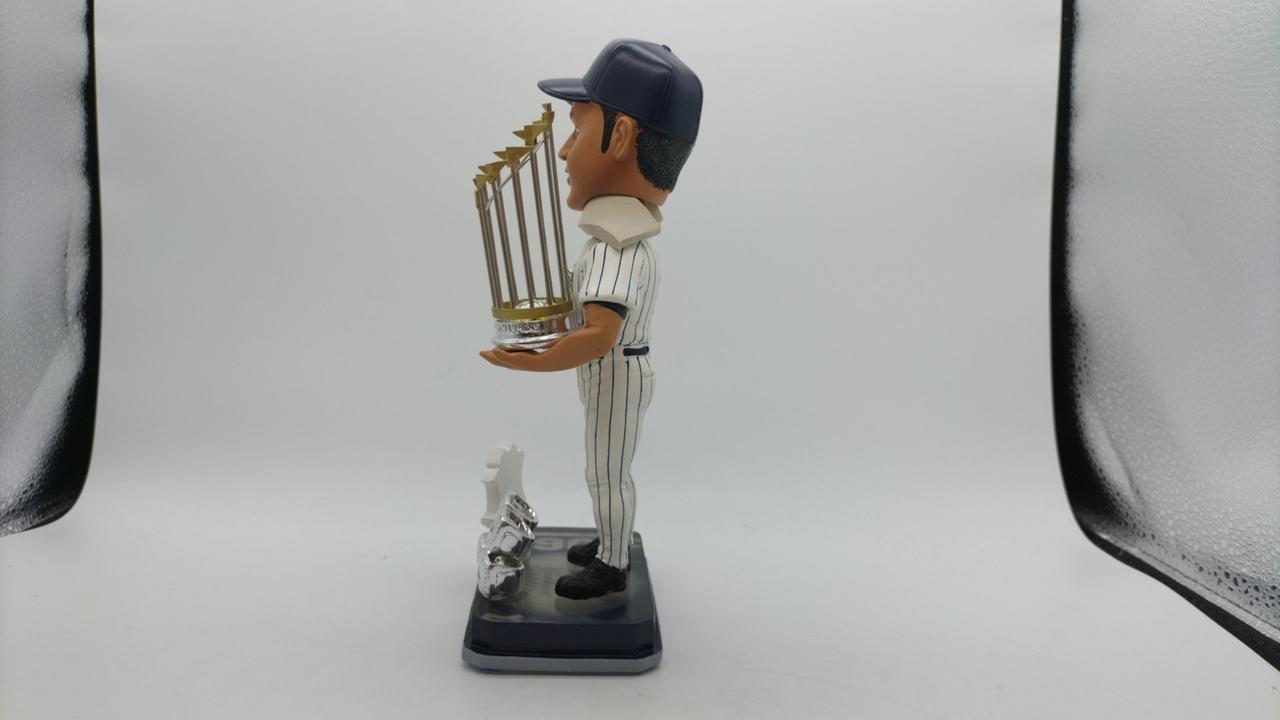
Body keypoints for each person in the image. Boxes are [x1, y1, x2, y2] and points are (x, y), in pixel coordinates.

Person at [479, 39, 703, 599]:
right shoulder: (617, 236)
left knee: (606, 472)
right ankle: (610, 540)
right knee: (604, 467)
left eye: (577, 131)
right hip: (614, 372)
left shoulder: (615, 244)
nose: (562, 152)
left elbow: (600, 336)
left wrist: (530, 361)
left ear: (621, 138)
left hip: (616, 372)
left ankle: (613, 562)